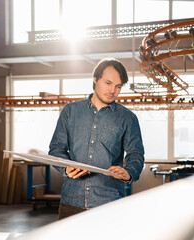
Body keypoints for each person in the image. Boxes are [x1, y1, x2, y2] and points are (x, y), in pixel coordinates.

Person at [49, 58, 145, 220]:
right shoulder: (70, 112)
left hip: (109, 204)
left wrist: (128, 172)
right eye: (108, 83)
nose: (112, 90)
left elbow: (136, 154)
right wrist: (66, 168)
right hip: (72, 203)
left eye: (118, 86)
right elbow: (56, 149)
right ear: (95, 79)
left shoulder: (128, 118)